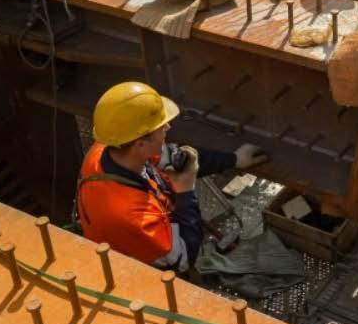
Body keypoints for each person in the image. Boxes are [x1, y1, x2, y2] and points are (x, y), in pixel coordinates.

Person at [77, 81, 266, 273]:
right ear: (141, 144)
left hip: (133, 231)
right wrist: (186, 191)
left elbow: (178, 159)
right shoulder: (129, 214)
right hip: (136, 269)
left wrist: (233, 160)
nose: (167, 127)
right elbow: (182, 260)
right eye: (161, 126)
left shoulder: (113, 145)